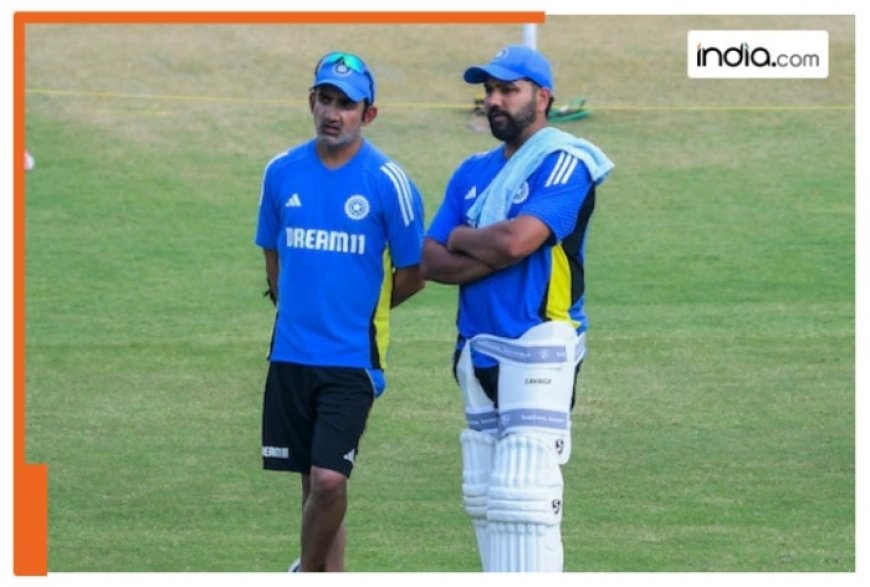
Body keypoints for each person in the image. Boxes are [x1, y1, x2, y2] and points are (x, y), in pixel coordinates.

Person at [421, 45, 614, 572]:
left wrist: (465, 236)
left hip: (539, 339)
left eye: (509, 90)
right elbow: (431, 259)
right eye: (488, 92)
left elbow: (519, 240)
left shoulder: (565, 161)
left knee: (524, 497)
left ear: (543, 97)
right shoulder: (471, 171)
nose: (494, 101)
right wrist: (485, 245)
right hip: (476, 345)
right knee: (486, 497)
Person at [254, 51, 425, 572]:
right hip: (291, 354)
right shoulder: (281, 173)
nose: (334, 112)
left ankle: (304, 571)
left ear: (367, 114)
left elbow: (412, 274)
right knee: (314, 486)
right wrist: (303, 311)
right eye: (325, 99)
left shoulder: (389, 181)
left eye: (346, 104)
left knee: (330, 482)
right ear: (311, 102)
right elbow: (273, 260)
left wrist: (357, 313)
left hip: (352, 359)